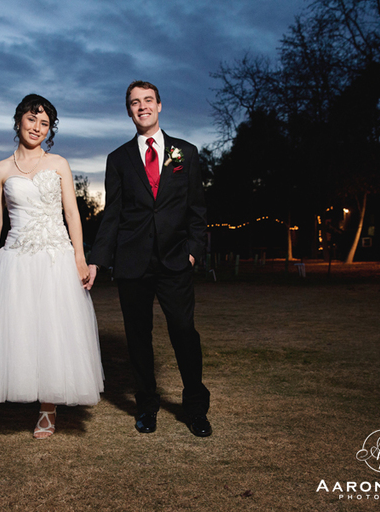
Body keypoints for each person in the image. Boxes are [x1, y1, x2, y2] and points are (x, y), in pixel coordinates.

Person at [0, 94, 104, 439]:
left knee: (51, 330)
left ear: (50, 130)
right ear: (19, 120)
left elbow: (71, 214)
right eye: (32, 120)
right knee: (5, 331)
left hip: (55, 257)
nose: (37, 128)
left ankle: (48, 413)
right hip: (16, 257)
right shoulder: (1, 170)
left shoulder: (59, 164)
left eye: (45, 123)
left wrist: (79, 256)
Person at [86, 81, 211, 437]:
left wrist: (193, 252)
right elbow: (112, 215)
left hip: (175, 261)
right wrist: (97, 260)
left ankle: (196, 409)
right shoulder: (118, 158)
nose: (142, 107)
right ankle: (146, 407)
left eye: (147, 100)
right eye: (134, 102)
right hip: (132, 262)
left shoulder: (186, 153)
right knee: (138, 337)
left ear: (159, 106)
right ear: (129, 111)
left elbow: (197, 209)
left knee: (184, 332)